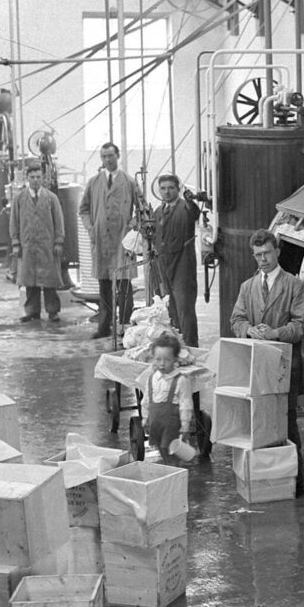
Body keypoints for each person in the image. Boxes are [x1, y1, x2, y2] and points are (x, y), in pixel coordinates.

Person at [230, 230, 304, 480]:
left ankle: (295, 476)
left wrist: (275, 332)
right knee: (259, 420)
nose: (262, 259)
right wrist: (249, 330)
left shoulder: (295, 286)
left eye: (266, 253)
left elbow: (302, 326)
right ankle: (267, 475)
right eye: (257, 255)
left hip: (285, 365)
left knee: (286, 420)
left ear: (277, 251)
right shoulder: (248, 287)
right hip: (256, 365)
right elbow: (236, 319)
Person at [79, 141, 139, 339]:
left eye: (110, 156)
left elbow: (142, 210)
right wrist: (90, 227)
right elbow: (84, 209)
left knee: (124, 286)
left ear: (118, 156)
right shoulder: (94, 182)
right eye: (104, 157)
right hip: (101, 241)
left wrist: (131, 226)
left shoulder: (129, 182)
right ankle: (104, 327)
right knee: (104, 286)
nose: (107, 160)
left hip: (123, 242)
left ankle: (124, 327)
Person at [9, 164, 64, 323]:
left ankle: (53, 311)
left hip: (48, 245)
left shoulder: (51, 198)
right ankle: (32, 311)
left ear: (43, 178)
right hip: (27, 245)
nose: (35, 180)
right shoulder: (19, 199)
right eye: (32, 177)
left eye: (38, 177)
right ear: (27, 178)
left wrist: (59, 241)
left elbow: (59, 221)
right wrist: (15, 243)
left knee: (49, 281)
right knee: (30, 280)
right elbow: (14, 222)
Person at [152, 174, 201, 348]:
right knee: (170, 308)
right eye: (163, 188)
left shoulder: (185, 208)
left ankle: (191, 347)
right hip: (164, 264)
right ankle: (177, 348)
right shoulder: (158, 212)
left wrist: (190, 200)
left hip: (183, 265)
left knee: (184, 308)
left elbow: (194, 212)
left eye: (171, 188)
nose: (167, 192)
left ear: (178, 189)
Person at [135, 333, 196, 466]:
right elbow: (146, 401)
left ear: (175, 359)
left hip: (172, 427)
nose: (162, 364)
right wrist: (145, 419)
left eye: (167, 360)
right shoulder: (151, 378)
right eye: (158, 359)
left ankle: (175, 475)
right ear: (153, 359)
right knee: (161, 449)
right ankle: (171, 471)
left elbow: (185, 405)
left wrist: (185, 426)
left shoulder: (180, 380)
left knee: (171, 453)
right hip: (156, 424)